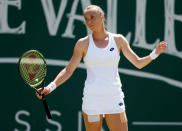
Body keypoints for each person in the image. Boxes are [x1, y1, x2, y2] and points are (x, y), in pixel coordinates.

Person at [36, 5, 167, 131]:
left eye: (92, 17)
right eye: (86, 19)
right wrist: (49, 87)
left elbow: (138, 63)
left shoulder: (118, 40)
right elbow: (68, 70)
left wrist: (154, 53)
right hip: (92, 101)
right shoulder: (82, 44)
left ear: (102, 16)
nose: (89, 21)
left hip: (114, 99)